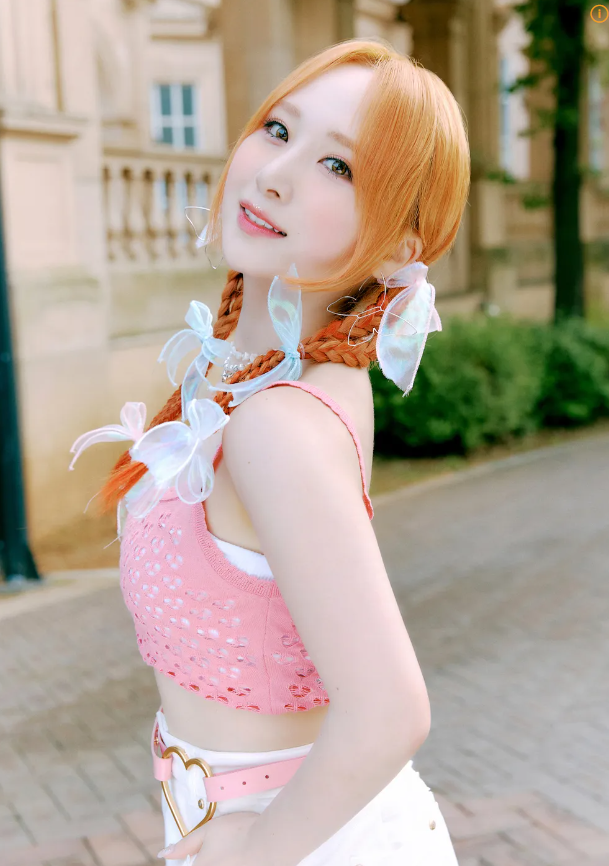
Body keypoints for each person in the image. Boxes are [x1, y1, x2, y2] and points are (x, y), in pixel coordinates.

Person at [70, 38, 469, 866]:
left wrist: (252, 851)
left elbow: (391, 711)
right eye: (279, 130)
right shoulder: (268, 378)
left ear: (399, 248)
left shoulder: (277, 422)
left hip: (298, 839)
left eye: (339, 167)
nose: (276, 174)